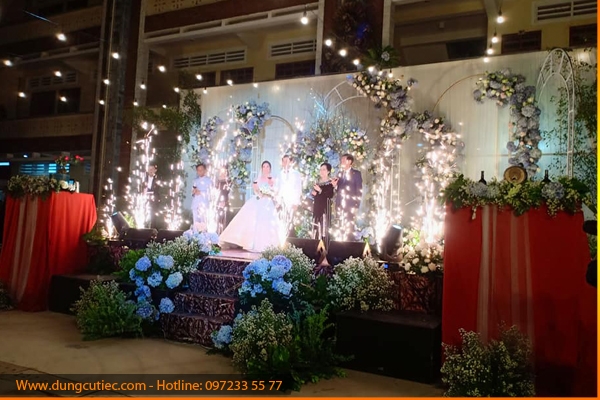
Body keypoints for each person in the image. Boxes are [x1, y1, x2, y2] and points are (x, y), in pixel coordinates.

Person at [219, 161, 284, 252]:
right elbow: (256, 190)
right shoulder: (257, 179)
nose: (266, 168)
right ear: (262, 168)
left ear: (270, 168)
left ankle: (268, 245)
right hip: (259, 200)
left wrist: (270, 192)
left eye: (267, 166)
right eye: (264, 166)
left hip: (268, 202)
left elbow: (275, 191)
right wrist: (260, 193)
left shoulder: (273, 179)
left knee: (267, 222)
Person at [332, 153, 363, 240]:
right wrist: (335, 186)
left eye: (343, 160)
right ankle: (340, 244)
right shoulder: (340, 174)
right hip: (340, 204)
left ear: (349, 161)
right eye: (341, 160)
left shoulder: (356, 174)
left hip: (350, 205)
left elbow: (359, 191)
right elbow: (338, 189)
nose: (341, 161)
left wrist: (356, 206)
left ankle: (349, 245)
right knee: (340, 227)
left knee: (349, 228)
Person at [275, 155, 303, 226]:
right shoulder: (279, 174)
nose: (285, 163)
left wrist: (296, 203)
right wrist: (277, 201)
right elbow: (277, 188)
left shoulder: (296, 174)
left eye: (287, 161)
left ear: (290, 162)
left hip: (291, 202)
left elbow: (298, 188)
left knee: (290, 224)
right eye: (283, 161)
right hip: (281, 202)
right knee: (281, 223)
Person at [311, 163, 335, 240]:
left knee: (323, 229)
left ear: (328, 171)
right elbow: (316, 195)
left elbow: (330, 195)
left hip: (324, 209)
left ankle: (323, 245)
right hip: (317, 208)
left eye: (324, 169)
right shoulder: (317, 182)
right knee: (315, 228)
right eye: (320, 170)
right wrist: (314, 194)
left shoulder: (330, 183)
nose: (321, 171)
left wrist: (320, 190)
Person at [191, 163, 212, 232]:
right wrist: (194, 192)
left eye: (201, 170)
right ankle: (195, 235)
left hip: (204, 203)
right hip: (196, 203)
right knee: (196, 221)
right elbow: (192, 192)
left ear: (205, 170)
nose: (200, 172)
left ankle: (203, 235)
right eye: (198, 170)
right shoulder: (195, 180)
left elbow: (211, 192)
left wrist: (201, 192)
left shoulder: (209, 180)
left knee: (203, 222)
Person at [144, 164, 161, 229]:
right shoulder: (144, 178)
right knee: (144, 214)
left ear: (155, 170)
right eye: (149, 169)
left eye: (152, 169)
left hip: (154, 200)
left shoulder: (158, 179)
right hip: (145, 198)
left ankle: (152, 229)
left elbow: (158, 190)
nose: (150, 171)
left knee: (153, 215)